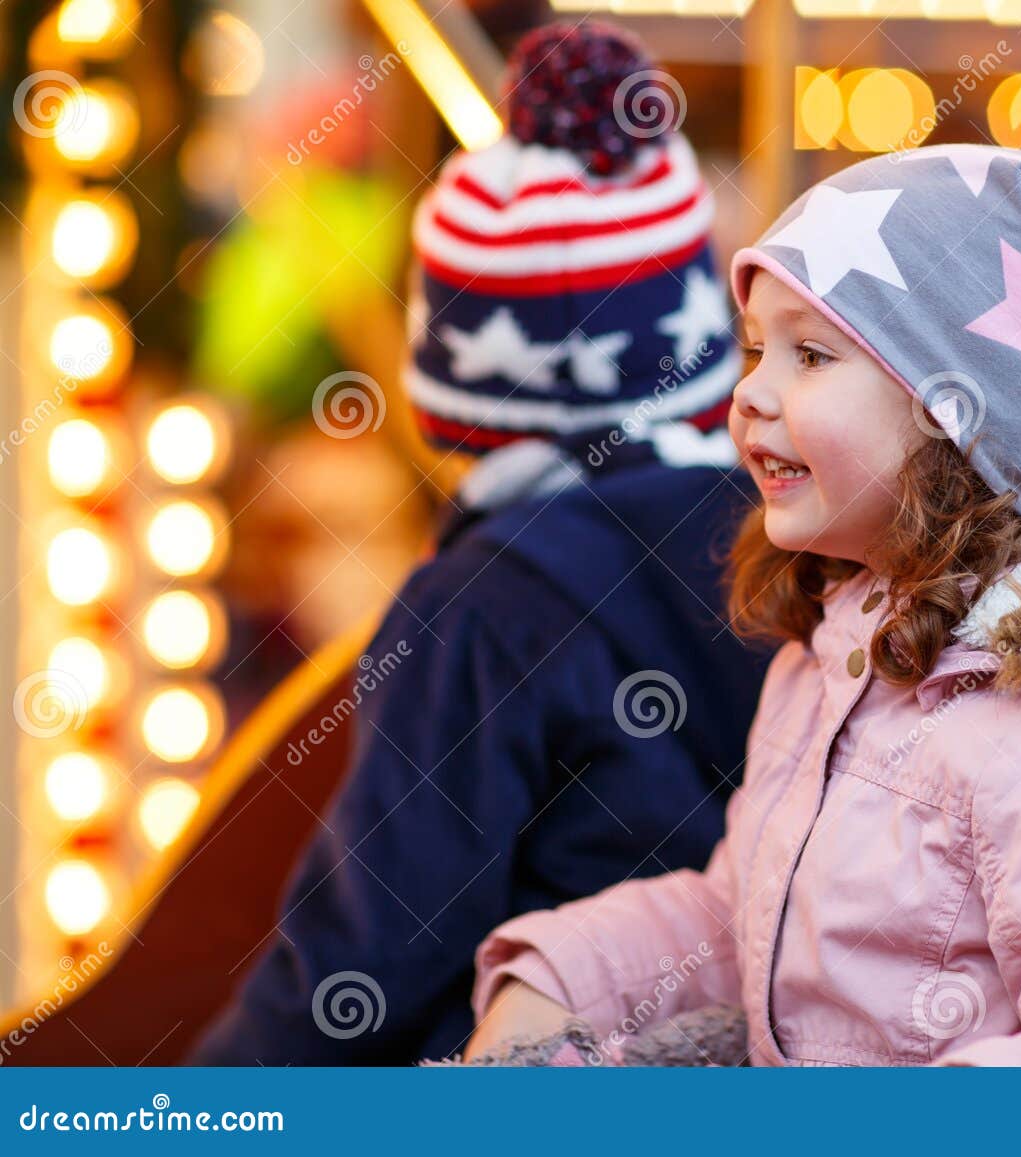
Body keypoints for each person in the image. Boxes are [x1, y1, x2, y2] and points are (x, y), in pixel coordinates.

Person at [463, 144, 1021, 1066]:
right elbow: (749, 911)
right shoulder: (841, 644)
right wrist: (552, 979)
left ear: (957, 415)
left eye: (812, 355)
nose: (749, 392)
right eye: (758, 349)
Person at [190, 23, 768, 1065]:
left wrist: (193, 1107)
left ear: (447, 395)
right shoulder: (789, 542)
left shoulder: (479, 606)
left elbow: (367, 951)